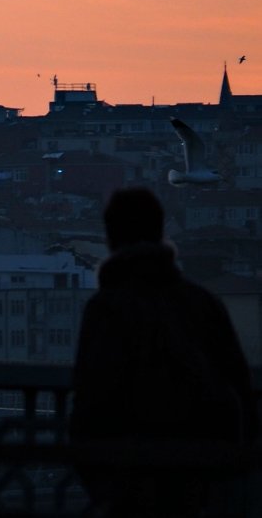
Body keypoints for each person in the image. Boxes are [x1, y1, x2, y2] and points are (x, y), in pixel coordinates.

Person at [70, 187, 257, 516]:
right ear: (159, 232)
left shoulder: (106, 308)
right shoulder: (203, 303)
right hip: (201, 479)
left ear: (112, 238)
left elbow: (90, 403)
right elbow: (240, 389)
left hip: (128, 479)